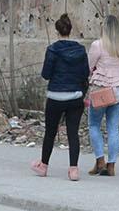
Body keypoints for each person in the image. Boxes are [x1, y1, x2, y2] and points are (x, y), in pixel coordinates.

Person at [36, 13, 88, 179]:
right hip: (75, 97)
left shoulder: (52, 50)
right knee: (73, 133)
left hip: (55, 96)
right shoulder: (80, 50)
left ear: (57, 31)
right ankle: (73, 170)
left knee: (50, 132)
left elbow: (46, 74)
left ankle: (43, 166)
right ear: (70, 30)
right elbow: (85, 73)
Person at [85, 14, 119, 176]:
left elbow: (88, 67)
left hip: (102, 90)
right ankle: (111, 166)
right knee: (113, 127)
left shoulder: (97, 45)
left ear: (103, 27)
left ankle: (99, 161)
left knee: (94, 124)